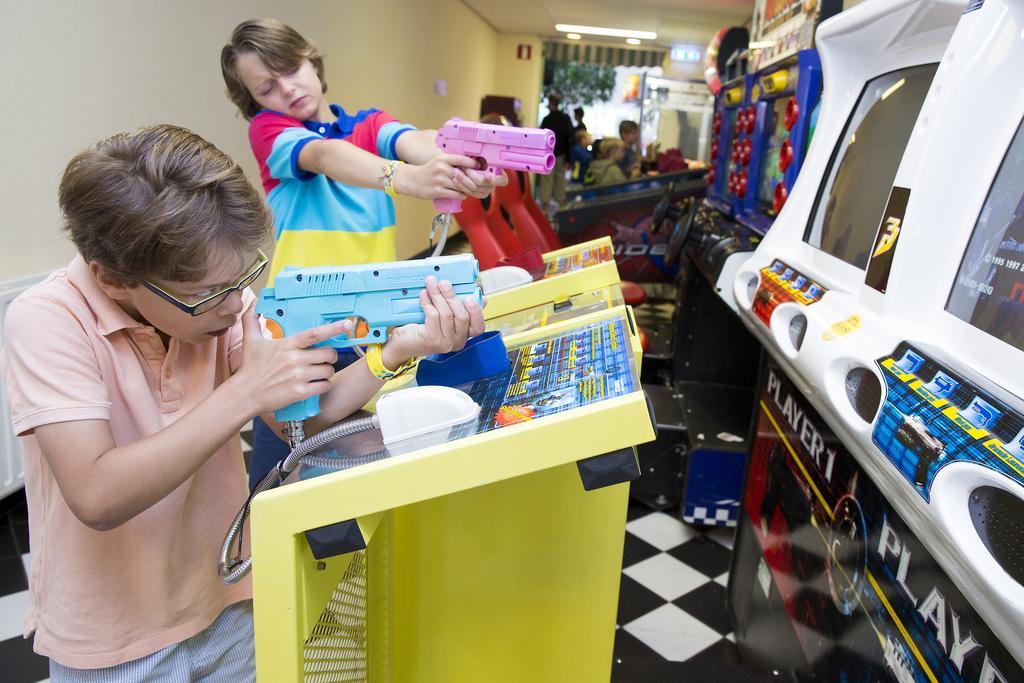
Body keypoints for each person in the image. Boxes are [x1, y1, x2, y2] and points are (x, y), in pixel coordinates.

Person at [1, 125, 485, 680]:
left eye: (246, 277)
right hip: (114, 636)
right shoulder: (46, 321)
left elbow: (298, 423)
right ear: (112, 278)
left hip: (227, 596)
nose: (238, 304)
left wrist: (394, 353)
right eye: (210, 293)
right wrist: (244, 391)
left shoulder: (220, 305)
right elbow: (97, 493)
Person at [221, 19, 504, 488]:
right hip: (300, 327)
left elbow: (419, 141)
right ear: (255, 102)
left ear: (312, 61)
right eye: (266, 87)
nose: (286, 89)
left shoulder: (368, 125)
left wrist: (467, 159)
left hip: (367, 322)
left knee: (356, 469)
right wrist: (406, 178)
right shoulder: (270, 131)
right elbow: (325, 155)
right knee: (283, 472)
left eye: (291, 69)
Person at [537, 94, 575, 213]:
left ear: (550, 103)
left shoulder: (547, 119)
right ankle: (561, 206)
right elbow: (570, 138)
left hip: (548, 155)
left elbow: (541, 138)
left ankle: (545, 207)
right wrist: (569, 158)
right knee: (560, 178)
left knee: (547, 179)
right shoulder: (565, 119)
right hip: (562, 155)